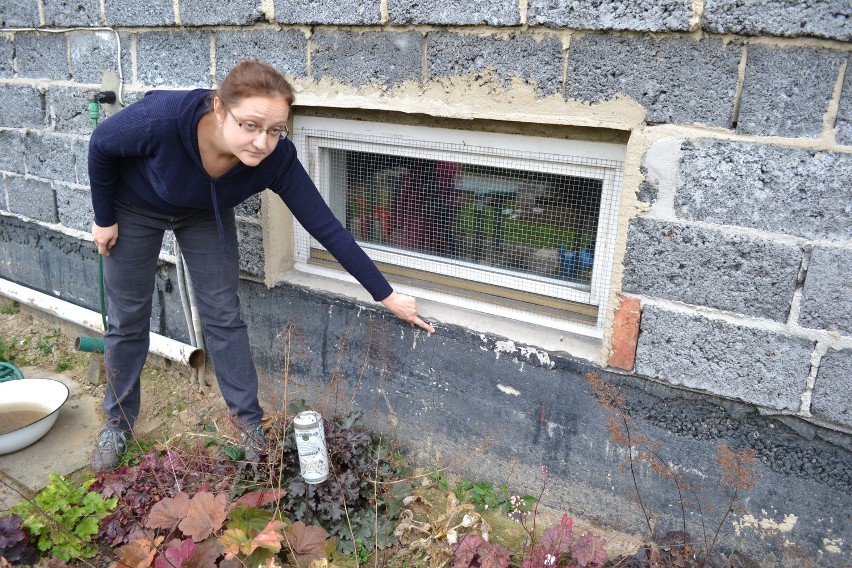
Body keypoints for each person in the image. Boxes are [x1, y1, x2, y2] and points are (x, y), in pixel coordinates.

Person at [88, 59, 435, 471]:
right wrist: (103, 216)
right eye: (250, 125)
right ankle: (118, 421)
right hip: (135, 205)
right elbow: (102, 145)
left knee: (223, 313)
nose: (261, 142)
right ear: (219, 108)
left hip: (204, 212)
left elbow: (324, 224)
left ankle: (249, 426)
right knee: (128, 317)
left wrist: (387, 294)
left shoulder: (276, 158)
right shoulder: (162, 120)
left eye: (275, 130)